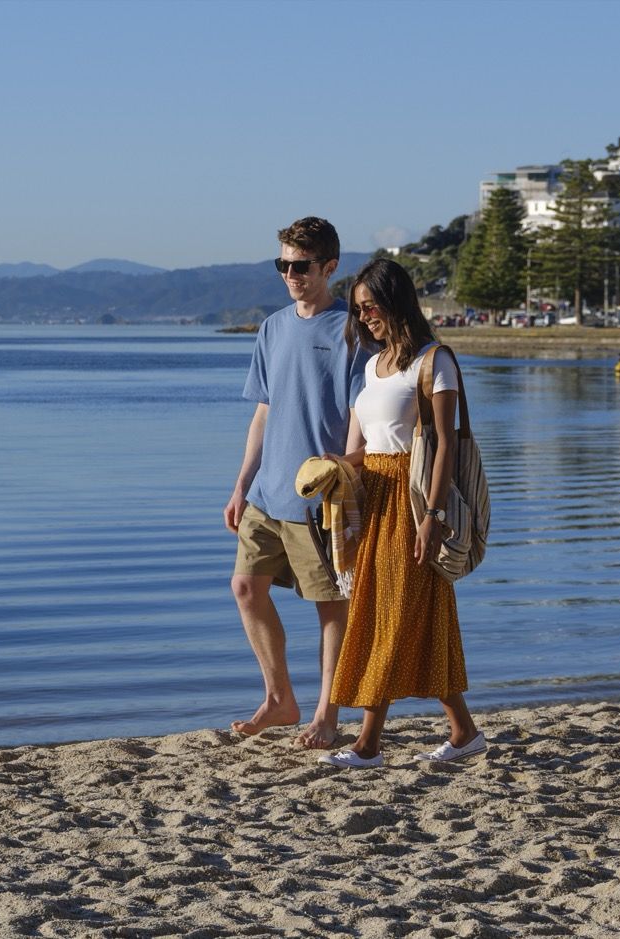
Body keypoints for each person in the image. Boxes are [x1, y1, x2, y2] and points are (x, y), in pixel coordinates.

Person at [319, 258, 483, 768]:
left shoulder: (436, 362)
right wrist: (326, 467)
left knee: (388, 616)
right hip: (373, 502)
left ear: (396, 301)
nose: (364, 316)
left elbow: (445, 449)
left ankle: (368, 744)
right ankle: (464, 732)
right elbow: (360, 451)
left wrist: (433, 514)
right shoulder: (369, 368)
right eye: (358, 308)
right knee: (411, 615)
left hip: (412, 503)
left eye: (371, 306)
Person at [225, 217, 375, 749]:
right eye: (283, 264)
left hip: (319, 497)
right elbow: (264, 411)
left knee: (331, 608)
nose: (290, 274)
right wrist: (242, 483)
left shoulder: (351, 330)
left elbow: (363, 408)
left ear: (329, 266)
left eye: (301, 266)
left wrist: (350, 462)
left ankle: (327, 715)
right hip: (268, 492)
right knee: (245, 588)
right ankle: (278, 698)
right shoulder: (272, 327)